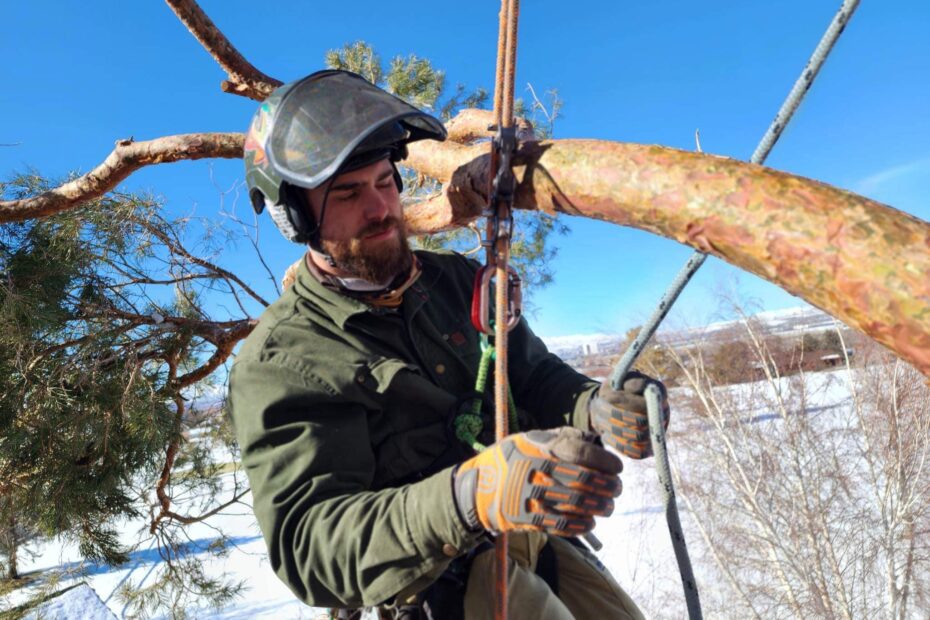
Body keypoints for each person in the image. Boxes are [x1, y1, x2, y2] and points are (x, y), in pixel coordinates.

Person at [230, 69, 670, 620]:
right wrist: (472, 495)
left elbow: (532, 377)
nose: (380, 208)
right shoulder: (282, 360)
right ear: (296, 217)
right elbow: (309, 550)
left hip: (527, 542)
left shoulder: (456, 282)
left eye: (385, 183)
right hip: (426, 595)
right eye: (348, 193)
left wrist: (594, 404)